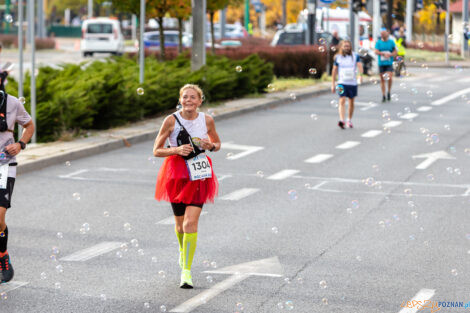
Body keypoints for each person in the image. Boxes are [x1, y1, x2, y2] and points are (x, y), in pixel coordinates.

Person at [153, 84, 220, 289]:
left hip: (199, 173)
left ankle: (186, 271)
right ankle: (183, 251)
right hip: (176, 174)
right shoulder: (171, 120)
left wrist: (210, 146)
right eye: (185, 97)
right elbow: (156, 150)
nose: (188, 100)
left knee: (191, 223)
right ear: (180, 99)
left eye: (193, 97)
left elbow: (217, 144)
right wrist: (176, 149)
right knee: (180, 224)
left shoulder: (207, 120)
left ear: (200, 101)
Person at [0, 72, 35, 283]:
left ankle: (2, 256)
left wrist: (20, 144)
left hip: (4, 166)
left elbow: (29, 125)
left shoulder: (12, 103)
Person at [331, 40, 363, 129]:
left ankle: (349, 120)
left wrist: (360, 76)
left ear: (350, 47)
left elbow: (359, 66)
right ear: (341, 47)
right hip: (341, 83)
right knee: (342, 100)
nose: (346, 48)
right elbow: (334, 70)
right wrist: (333, 84)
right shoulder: (338, 57)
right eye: (345, 46)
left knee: (351, 101)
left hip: (352, 83)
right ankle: (342, 120)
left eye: (348, 46)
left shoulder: (355, 56)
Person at [375, 29, 397, 102]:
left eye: (384, 33)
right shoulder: (378, 42)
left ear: (387, 34)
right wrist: (383, 54)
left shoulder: (391, 42)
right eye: (381, 34)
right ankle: (383, 95)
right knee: (382, 80)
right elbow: (376, 51)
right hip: (381, 63)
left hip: (389, 63)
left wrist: (390, 54)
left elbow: (395, 51)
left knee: (389, 77)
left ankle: (389, 91)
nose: (383, 35)